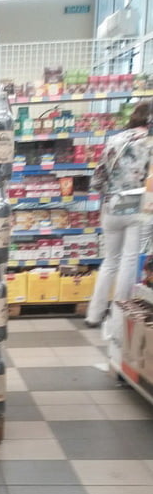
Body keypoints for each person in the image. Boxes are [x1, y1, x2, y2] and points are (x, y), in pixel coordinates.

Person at [85, 100, 152, 327]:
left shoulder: (116, 139)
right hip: (139, 204)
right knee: (129, 260)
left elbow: (98, 177)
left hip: (113, 203)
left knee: (110, 261)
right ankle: (118, 319)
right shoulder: (149, 141)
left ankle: (94, 314)